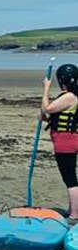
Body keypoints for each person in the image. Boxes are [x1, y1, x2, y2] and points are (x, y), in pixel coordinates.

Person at [43, 64, 78, 220]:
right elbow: (47, 114)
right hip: (67, 140)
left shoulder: (70, 97)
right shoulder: (71, 96)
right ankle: (73, 210)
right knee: (70, 177)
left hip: (66, 141)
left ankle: (74, 214)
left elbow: (48, 108)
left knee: (69, 178)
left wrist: (46, 89)